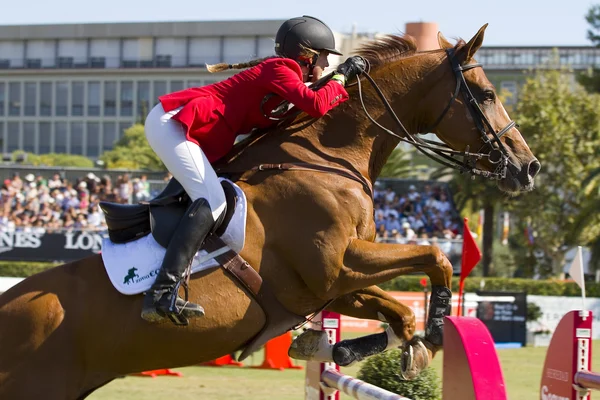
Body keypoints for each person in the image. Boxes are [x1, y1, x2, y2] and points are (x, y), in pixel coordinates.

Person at [141, 15, 366, 324]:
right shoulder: (281, 69)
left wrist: (340, 81)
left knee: (209, 197)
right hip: (174, 122)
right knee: (213, 202)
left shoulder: (288, 78)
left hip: (189, 130)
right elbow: (315, 104)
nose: (327, 64)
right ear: (307, 55)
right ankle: (162, 293)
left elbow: (312, 98)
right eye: (325, 56)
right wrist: (342, 77)